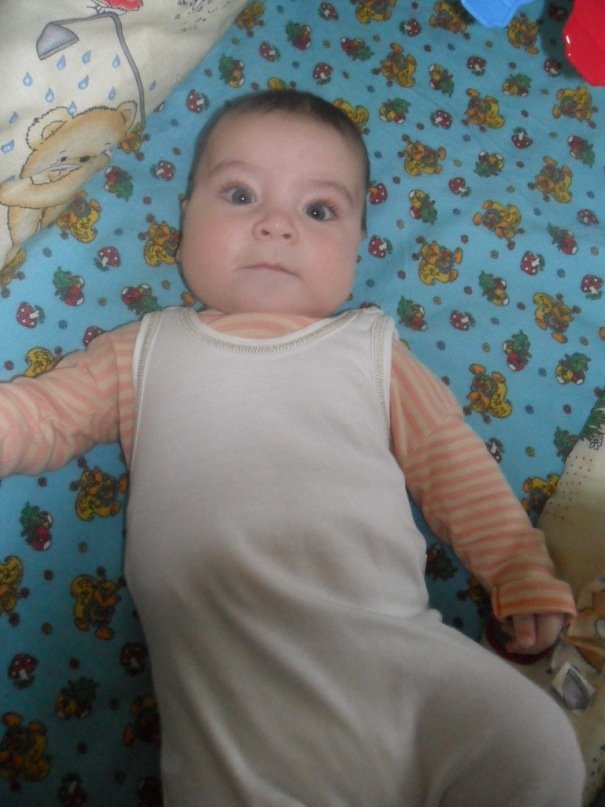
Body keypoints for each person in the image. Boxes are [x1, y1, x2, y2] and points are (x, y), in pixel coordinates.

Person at [0, 90, 585, 806]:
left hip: (399, 665)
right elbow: (44, 414)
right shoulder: (144, 350)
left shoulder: (369, 349)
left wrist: (518, 568)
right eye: (240, 194)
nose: (276, 224)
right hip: (231, 716)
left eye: (319, 210)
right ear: (184, 219)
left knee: (535, 744)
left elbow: (449, 460)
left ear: (358, 245)